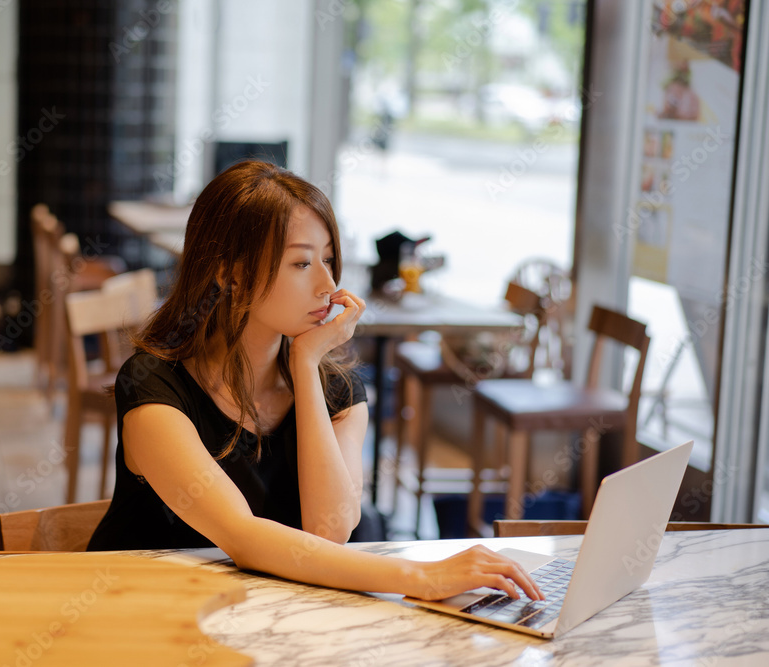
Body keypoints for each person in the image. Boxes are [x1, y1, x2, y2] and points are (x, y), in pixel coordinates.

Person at [86, 160, 542, 603]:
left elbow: (329, 531)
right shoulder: (154, 386)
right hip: (139, 611)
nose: (328, 284)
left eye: (328, 260)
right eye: (302, 264)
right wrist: (419, 575)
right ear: (230, 274)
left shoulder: (336, 389)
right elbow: (243, 537)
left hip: (255, 614)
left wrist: (304, 367)